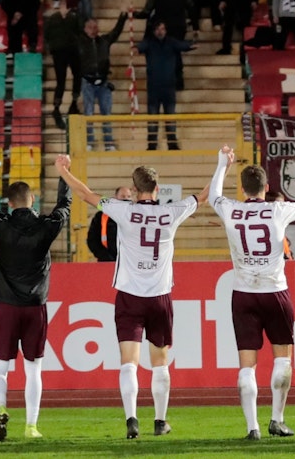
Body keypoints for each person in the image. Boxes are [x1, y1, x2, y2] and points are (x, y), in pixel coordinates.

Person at [54, 157, 201, 439]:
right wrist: (224, 165)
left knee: (128, 362)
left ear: (134, 189)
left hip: (130, 296)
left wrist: (64, 172)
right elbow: (204, 197)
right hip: (159, 296)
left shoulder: (122, 210)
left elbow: (85, 193)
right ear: (157, 188)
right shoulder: (172, 212)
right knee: (160, 361)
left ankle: (132, 419)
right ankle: (160, 421)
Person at [208, 147, 295, 440]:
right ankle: (276, 420)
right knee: (282, 359)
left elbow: (213, 196)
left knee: (247, 363)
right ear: (267, 188)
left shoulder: (231, 209)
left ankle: (252, 427)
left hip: (244, 293)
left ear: (243, 188)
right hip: (275, 291)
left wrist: (223, 164)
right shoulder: (277, 209)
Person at [0, 165, 70, 442]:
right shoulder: (45, 227)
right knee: (33, 369)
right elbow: (64, 207)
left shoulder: (2, 225)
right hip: (34, 306)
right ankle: (31, 426)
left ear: (10, 203)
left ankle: (1, 410)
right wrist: (64, 174)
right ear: (33, 200)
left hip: (6, 305)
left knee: (0, 368)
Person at [135, 21, 193, 150]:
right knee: (152, 118)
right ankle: (152, 145)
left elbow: (183, 46)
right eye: (158, 29)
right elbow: (139, 47)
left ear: (165, 30)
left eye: (162, 29)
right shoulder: (149, 42)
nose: (160, 32)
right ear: (154, 31)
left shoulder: (171, 42)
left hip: (169, 87)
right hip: (154, 88)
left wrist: (192, 44)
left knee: (170, 117)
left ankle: (172, 144)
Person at [78, 10, 130, 150]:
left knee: (106, 114)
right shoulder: (80, 42)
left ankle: (108, 143)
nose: (93, 30)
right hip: (87, 82)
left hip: (103, 82)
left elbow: (116, 32)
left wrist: (123, 16)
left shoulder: (104, 41)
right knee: (88, 114)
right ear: (84, 29)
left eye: (95, 27)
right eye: (90, 27)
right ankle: (89, 142)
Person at [45, 0, 87, 118]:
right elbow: (47, 35)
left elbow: (81, 30)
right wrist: (52, 48)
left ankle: (74, 102)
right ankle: (57, 106)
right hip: (59, 53)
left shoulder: (74, 17)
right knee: (61, 80)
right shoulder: (53, 19)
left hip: (73, 51)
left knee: (77, 76)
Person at [86, 186, 133, 262]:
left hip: (129, 262)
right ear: (115, 198)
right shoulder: (101, 216)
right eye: (122, 196)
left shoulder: (136, 216)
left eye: (128, 196)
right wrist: (105, 256)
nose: (126, 199)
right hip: (106, 262)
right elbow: (92, 240)